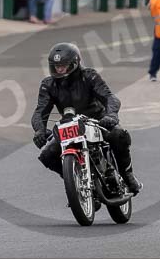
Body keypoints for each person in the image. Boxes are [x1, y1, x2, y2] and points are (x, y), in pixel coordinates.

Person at [31, 42, 143, 195]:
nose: (59, 69)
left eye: (63, 65)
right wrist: (39, 130)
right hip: (70, 125)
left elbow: (110, 98)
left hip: (97, 121)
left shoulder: (89, 76)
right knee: (47, 155)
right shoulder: (48, 84)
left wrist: (111, 115)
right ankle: (75, 180)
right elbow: (40, 111)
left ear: (75, 63)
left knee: (119, 135)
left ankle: (127, 175)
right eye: (56, 66)